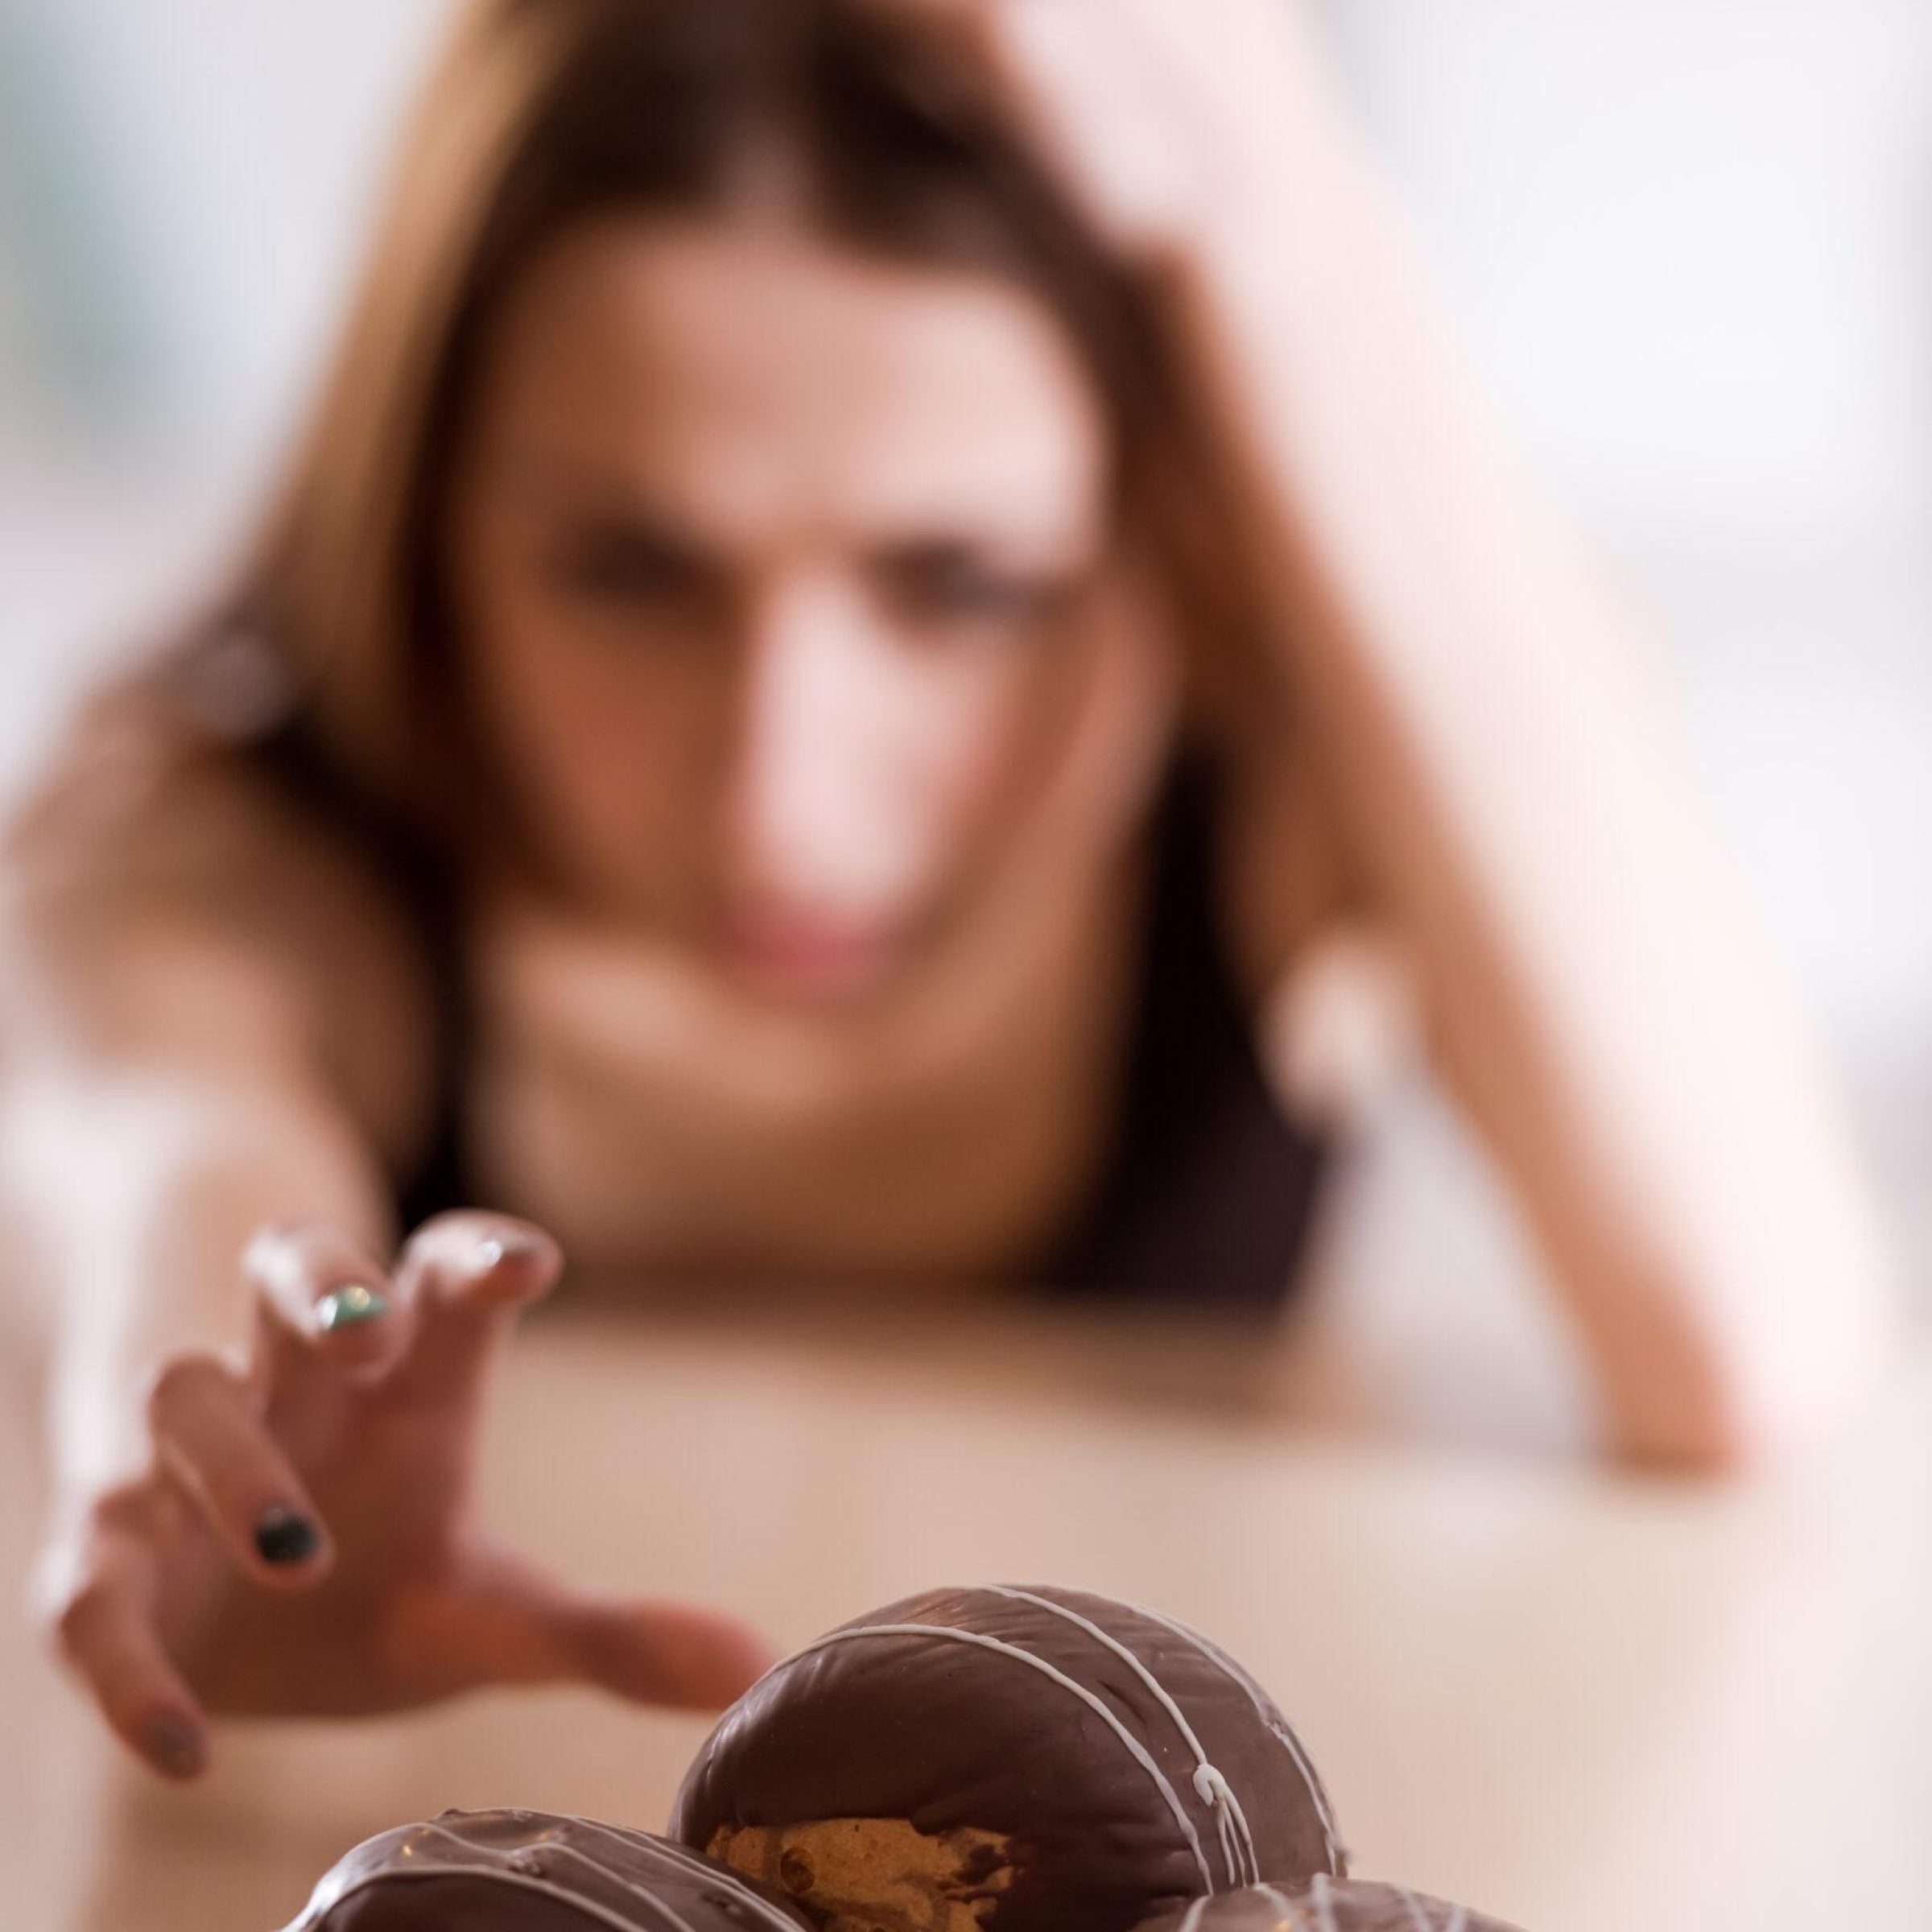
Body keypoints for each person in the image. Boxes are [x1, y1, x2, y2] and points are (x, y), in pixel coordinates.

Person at [3, 0, 1895, 1785]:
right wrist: (206, 1416)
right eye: (632, 573)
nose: (781, 799)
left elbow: (1749, 1343)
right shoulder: (215, 836)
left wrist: (1281, 205)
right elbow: (179, 1142)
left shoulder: (1280, 807)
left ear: (1166, 533)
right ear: (426, 524)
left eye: (964, 587)